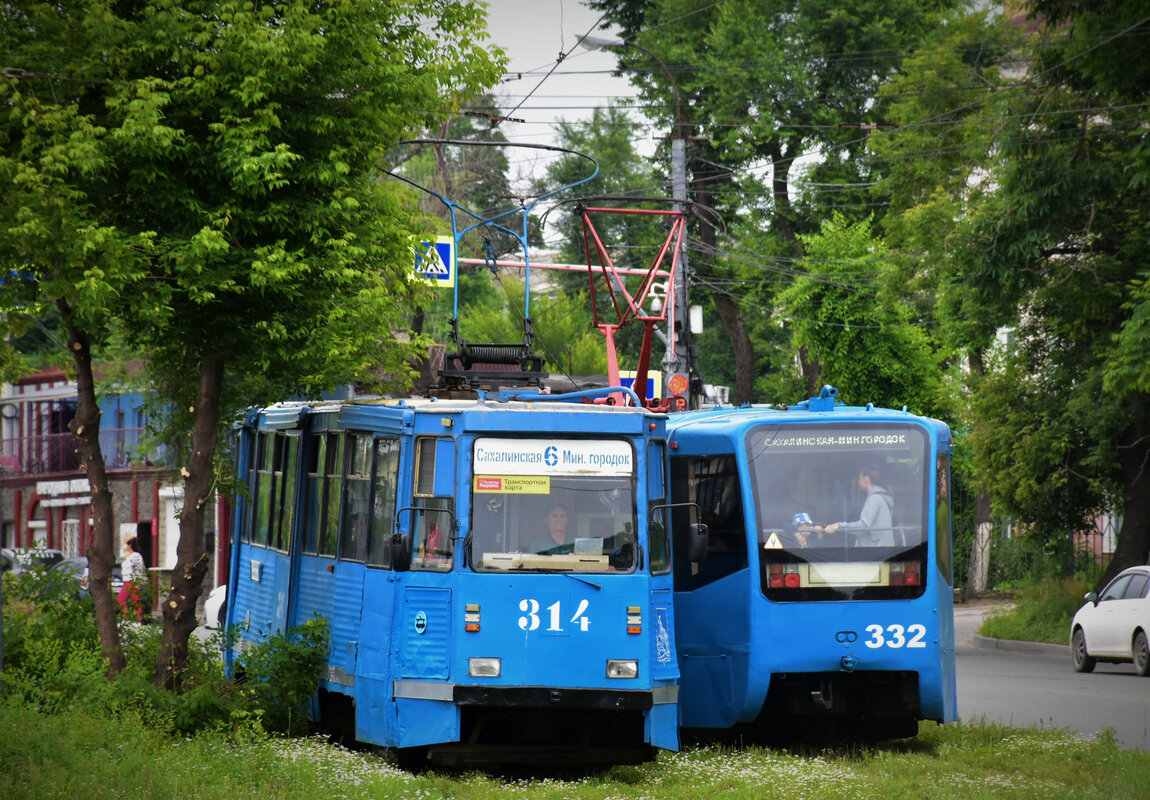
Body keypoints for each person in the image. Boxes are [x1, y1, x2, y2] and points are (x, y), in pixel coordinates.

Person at [822, 466, 896, 546]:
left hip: (876, 551)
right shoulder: (881, 497)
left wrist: (838, 525)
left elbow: (863, 526)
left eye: (860, 478)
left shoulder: (874, 499)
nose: (858, 482)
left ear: (867, 479)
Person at [117, 536, 147, 620]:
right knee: (121, 599)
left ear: (130, 545)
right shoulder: (129, 556)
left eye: (127, 545)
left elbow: (139, 569)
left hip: (132, 581)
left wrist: (138, 582)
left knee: (135, 601)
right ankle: (126, 617)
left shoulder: (136, 556)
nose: (125, 547)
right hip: (126, 581)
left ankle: (138, 620)